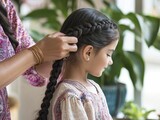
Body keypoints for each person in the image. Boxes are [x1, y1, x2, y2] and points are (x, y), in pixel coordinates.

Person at [37, 8, 120, 120]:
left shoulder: (94, 87)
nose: (111, 61)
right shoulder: (70, 96)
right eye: (108, 54)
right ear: (88, 52)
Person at [0, 0, 78, 119]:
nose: (110, 61)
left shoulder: (4, 5)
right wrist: (37, 53)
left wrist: (54, 53)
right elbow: (33, 56)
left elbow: (33, 68)